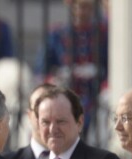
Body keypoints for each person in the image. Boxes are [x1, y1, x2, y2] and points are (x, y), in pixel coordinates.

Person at [35, 0, 107, 134]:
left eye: (86, 7)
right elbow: (42, 68)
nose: (82, 11)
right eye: (78, 6)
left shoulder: (102, 33)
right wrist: (54, 79)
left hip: (94, 90)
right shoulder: (57, 34)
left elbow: (109, 66)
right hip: (66, 88)